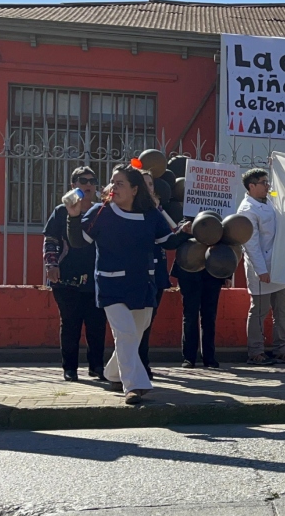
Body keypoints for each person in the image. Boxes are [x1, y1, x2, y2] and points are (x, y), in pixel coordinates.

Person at [66, 164, 173, 405]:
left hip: (142, 283)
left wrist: (192, 231)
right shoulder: (100, 211)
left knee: (134, 333)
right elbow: (78, 242)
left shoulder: (151, 215)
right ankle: (134, 386)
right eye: (112, 183)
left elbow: (169, 241)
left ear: (135, 189)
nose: (113, 187)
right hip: (110, 283)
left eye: (120, 183)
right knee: (124, 332)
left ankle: (113, 373)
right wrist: (73, 217)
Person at [43, 166, 106, 382]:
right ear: (74, 185)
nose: (88, 184)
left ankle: (97, 366)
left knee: (97, 323)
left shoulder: (101, 210)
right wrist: (51, 265)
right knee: (70, 324)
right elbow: (50, 240)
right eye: (82, 180)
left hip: (96, 277)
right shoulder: (62, 211)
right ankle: (69, 368)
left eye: (92, 180)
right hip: (66, 278)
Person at [238, 168, 285, 365]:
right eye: (264, 183)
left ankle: (282, 349)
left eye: (268, 182)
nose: (268, 186)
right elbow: (251, 244)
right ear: (252, 186)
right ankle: (255, 352)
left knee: (283, 310)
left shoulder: (270, 199)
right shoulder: (247, 210)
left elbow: (281, 195)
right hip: (262, 268)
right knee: (259, 312)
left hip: (279, 265)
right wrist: (261, 270)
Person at [137, 170, 192, 379]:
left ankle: (142, 363)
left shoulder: (155, 213)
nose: (148, 188)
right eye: (143, 184)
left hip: (156, 275)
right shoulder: (122, 212)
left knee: (146, 322)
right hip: (133, 275)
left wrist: (182, 232)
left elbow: (167, 241)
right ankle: (132, 366)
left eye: (150, 184)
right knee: (132, 324)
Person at [173, 257, 226, 369]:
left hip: (213, 271)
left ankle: (209, 357)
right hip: (188, 270)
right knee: (190, 316)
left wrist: (227, 273)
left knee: (209, 316)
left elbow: (227, 242)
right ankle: (189, 358)